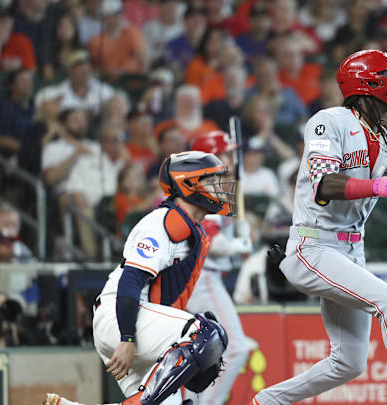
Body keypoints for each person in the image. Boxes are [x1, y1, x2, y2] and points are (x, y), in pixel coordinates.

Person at [252, 50, 387, 405]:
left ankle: (268, 401)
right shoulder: (330, 121)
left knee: (349, 363)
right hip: (313, 246)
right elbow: (323, 182)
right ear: (367, 82)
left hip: (352, 250)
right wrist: (382, 186)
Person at [45, 151, 233, 405]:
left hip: (134, 322)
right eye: (210, 180)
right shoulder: (165, 221)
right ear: (188, 183)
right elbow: (132, 279)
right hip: (122, 318)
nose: (218, 188)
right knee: (204, 333)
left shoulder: (188, 225)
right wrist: (127, 338)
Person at [184, 132, 253, 405]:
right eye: (225, 154)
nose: (231, 159)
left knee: (201, 353)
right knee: (235, 348)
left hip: (199, 280)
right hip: (202, 280)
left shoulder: (215, 189)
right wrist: (240, 244)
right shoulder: (204, 190)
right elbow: (215, 244)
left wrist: (241, 232)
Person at [36, 50, 114, 115]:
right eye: (79, 65)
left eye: (87, 65)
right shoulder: (56, 92)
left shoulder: (101, 89)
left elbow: (117, 100)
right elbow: (40, 99)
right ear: (70, 70)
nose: (84, 69)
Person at [87, 0, 147, 80]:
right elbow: (94, 69)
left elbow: (144, 60)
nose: (118, 17)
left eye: (120, 13)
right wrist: (107, 73)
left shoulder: (131, 32)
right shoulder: (96, 41)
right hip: (108, 83)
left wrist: (143, 80)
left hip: (133, 80)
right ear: (105, 18)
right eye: (114, 15)